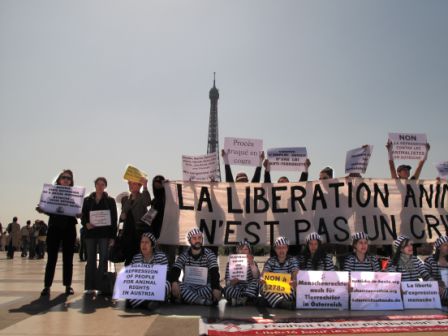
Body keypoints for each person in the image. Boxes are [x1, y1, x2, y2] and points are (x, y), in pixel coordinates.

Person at [36, 169, 79, 296]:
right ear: (59, 180)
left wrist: (79, 213)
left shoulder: (75, 194)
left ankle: (68, 285)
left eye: (69, 178)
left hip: (69, 228)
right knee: (51, 258)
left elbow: (77, 210)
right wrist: (42, 210)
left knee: (68, 258)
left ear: (71, 181)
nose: (66, 179)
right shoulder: (52, 194)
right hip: (54, 227)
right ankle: (47, 286)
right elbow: (49, 209)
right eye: (64, 177)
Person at [81, 177, 118, 295]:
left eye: (103, 184)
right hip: (90, 234)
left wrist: (113, 237)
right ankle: (90, 286)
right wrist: (86, 223)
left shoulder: (110, 201)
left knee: (103, 259)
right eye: (98, 184)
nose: (100, 186)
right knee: (90, 259)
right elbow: (83, 216)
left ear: (105, 186)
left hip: (104, 235)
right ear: (95, 185)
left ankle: (101, 286)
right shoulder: (87, 200)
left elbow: (114, 219)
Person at [169, 228, 221, 306]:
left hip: (204, 287)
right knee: (177, 286)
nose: (197, 240)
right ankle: (202, 301)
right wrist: (174, 282)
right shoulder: (184, 255)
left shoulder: (209, 254)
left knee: (215, 288)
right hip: (188, 286)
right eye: (194, 238)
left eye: (200, 238)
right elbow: (175, 269)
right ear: (189, 240)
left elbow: (215, 272)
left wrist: (216, 288)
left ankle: (188, 299)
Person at [127, 232, 171, 309]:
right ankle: (148, 303)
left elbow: (165, 276)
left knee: (166, 284)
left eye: (147, 242)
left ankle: (142, 302)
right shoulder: (136, 258)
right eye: (142, 242)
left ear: (152, 245)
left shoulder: (161, 257)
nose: (143, 245)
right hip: (142, 286)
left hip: (155, 284)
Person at [260, 236, 299, 309]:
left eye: (283, 247)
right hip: (273, 289)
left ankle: (272, 302)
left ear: (287, 249)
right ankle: (283, 304)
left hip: (287, 289)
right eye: (279, 248)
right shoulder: (271, 261)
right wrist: (262, 279)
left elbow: (295, 273)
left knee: (296, 288)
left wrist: (294, 281)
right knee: (262, 287)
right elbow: (264, 273)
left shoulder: (292, 260)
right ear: (275, 249)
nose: (281, 250)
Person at [120, 177, 151, 265]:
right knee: (129, 258)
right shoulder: (126, 199)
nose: (130, 185)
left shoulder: (142, 197)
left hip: (139, 232)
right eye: (129, 183)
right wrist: (122, 216)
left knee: (139, 257)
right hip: (127, 234)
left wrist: (145, 186)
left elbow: (147, 202)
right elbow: (122, 217)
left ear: (139, 186)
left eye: (133, 183)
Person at [147, 175, 176, 266]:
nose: (158, 186)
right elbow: (149, 218)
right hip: (158, 235)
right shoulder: (154, 202)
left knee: (170, 259)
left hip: (171, 234)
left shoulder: (171, 200)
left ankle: (170, 279)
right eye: (156, 184)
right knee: (159, 259)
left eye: (160, 183)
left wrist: (169, 188)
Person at [223, 239, 260, 306]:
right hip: (236, 288)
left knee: (256, 284)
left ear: (249, 251)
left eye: (245, 249)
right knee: (226, 290)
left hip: (249, 288)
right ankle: (244, 300)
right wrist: (232, 282)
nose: (243, 251)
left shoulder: (252, 262)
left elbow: (256, 277)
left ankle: (238, 300)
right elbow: (227, 282)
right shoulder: (230, 263)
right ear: (237, 250)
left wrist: (252, 264)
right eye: (240, 249)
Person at [424, 236, 448, 306]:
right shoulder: (430, 261)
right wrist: (435, 284)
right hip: (436, 295)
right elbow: (425, 276)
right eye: (445, 245)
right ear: (439, 247)